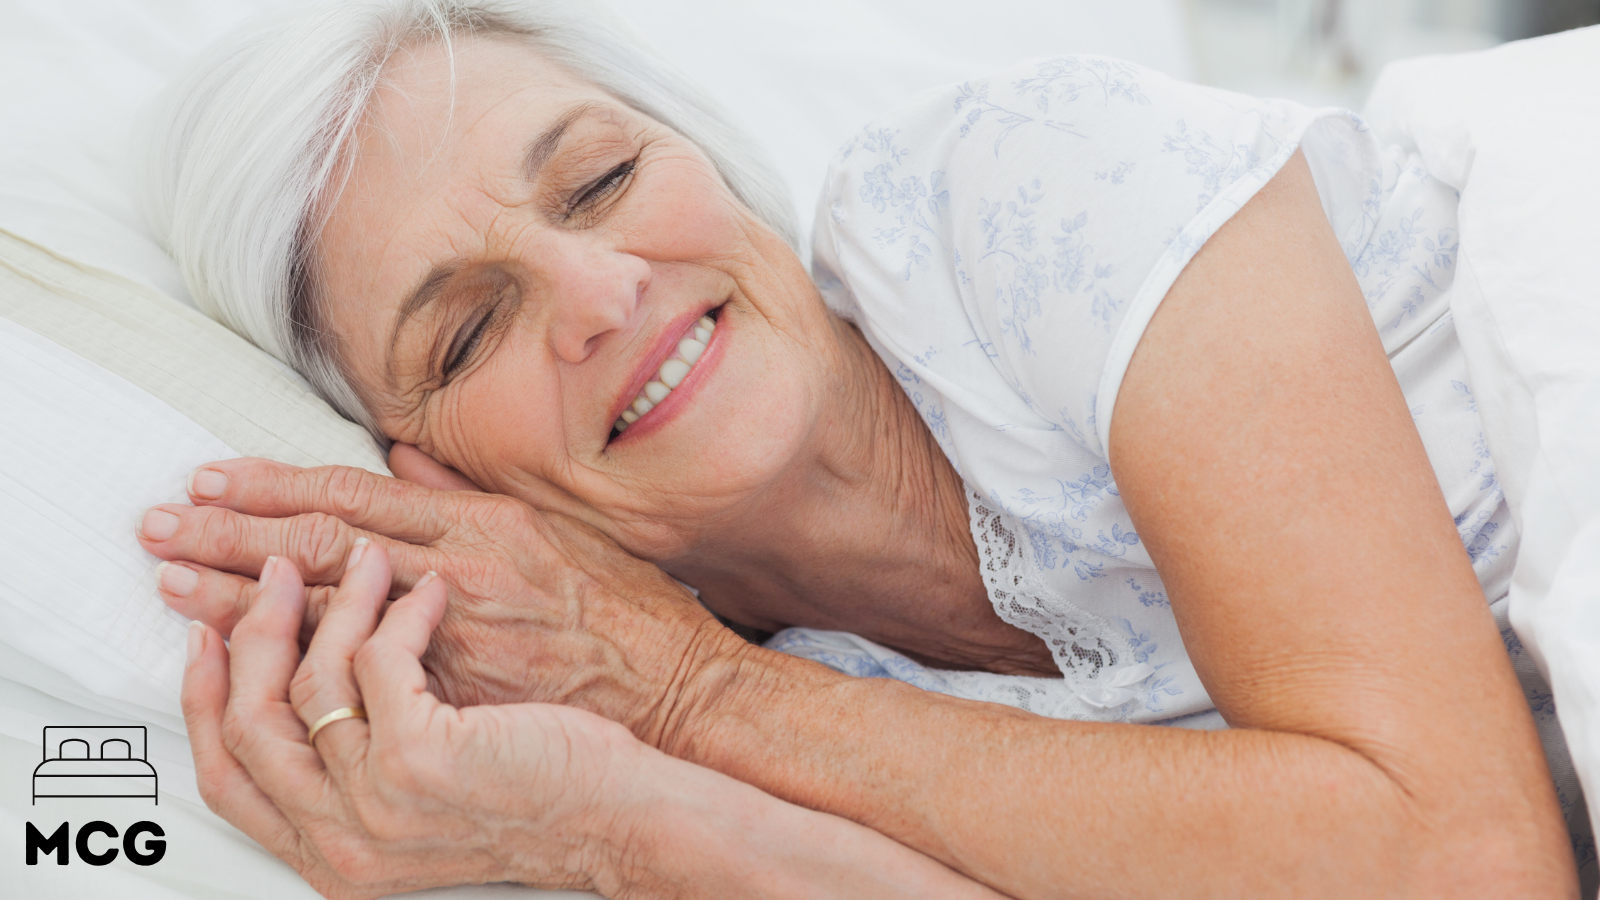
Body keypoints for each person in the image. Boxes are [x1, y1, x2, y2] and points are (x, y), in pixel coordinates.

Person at [135, 0, 1588, 896]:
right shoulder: (754, 710)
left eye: (602, 178)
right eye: (464, 340)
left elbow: (1460, 869)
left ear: (703, 155)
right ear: (438, 486)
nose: (601, 294)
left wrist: (699, 697)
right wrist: (608, 821)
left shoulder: (1025, 192)